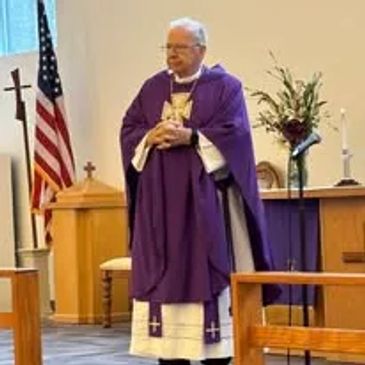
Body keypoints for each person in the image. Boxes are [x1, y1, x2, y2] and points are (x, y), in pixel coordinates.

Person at [120, 17, 279, 365]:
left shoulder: (225, 87)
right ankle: (169, 355)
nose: (171, 54)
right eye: (168, 47)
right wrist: (150, 136)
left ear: (201, 50)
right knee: (167, 320)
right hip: (161, 210)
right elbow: (129, 128)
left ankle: (216, 355)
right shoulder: (151, 89)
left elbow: (235, 135)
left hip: (207, 209)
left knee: (213, 299)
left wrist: (191, 137)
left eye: (179, 47)